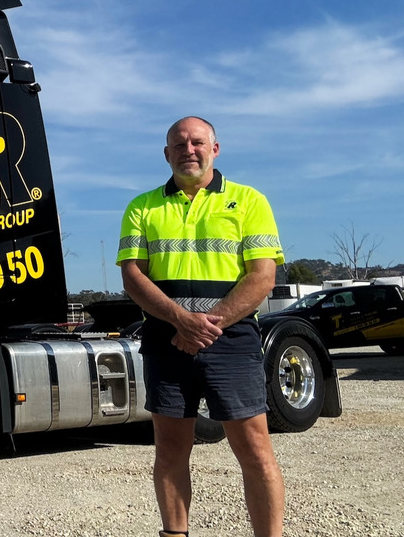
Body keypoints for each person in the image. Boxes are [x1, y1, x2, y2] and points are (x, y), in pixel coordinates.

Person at [117, 117, 286, 537]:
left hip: (232, 344)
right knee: (171, 450)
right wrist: (180, 320)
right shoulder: (142, 207)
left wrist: (207, 326)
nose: (187, 149)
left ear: (215, 149)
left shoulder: (249, 201)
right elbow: (134, 277)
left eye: (197, 142)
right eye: (178, 144)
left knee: (255, 451)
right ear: (166, 153)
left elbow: (263, 276)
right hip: (165, 341)